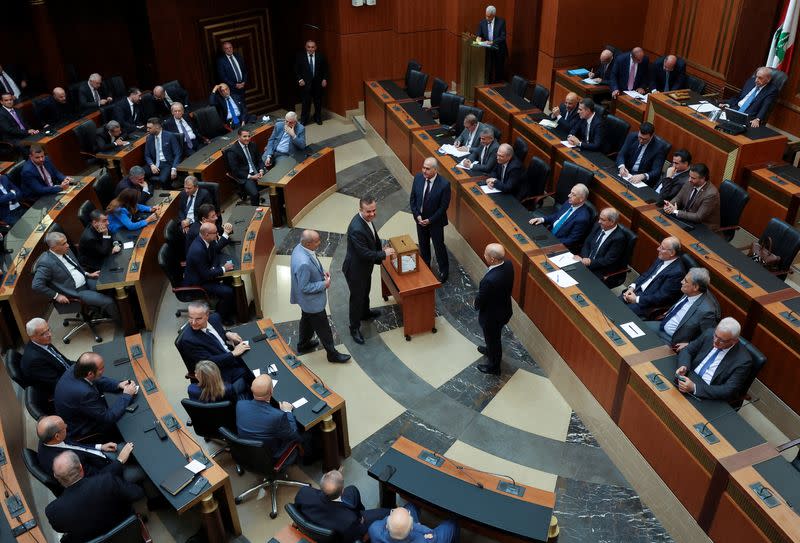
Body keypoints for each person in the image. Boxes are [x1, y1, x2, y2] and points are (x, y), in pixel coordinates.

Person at [45, 451, 144, 543]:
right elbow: (137, 494)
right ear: (81, 468)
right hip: (126, 531)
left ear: (56, 477)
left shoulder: (53, 511)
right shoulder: (107, 481)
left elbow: (60, 528)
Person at [290, 230, 351, 363]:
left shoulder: (299, 248)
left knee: (306, 320)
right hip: (312, 303)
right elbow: (304, 287)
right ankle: (332, 354)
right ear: (307, 243)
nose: (320, 243)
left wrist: (321, 272)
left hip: (306, 303)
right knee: (324, 329)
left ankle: (303, 345)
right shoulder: (303, 263)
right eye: (317, 241)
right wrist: (324, 284)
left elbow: (313, 262)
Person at [342, 196, 396, 344]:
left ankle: (365, 313)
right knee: (356, 299)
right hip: (355, 270)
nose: (372, 214)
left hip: (364, 268)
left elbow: (373, 238)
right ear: (360, 210)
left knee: (365, 292)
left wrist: (379, 249)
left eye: (374, 210)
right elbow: (363, 253)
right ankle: (354, 328)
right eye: (368, 212)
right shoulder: (356, 228)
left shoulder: (366, 221)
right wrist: (383, 254)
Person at [32, 231, 119, 321]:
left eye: (66, 242)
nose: (68, 245)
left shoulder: (66, 250)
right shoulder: (46, 263)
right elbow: (36, 285)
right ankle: (125, 325)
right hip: (76, 291)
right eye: (64, 244)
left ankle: (105, 311)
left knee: (111, 285)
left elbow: (75, 267)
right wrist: (56, 295)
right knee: (109, 302)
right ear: (54, 247)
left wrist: (87, 274)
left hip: (86, 280)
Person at [53, 352, 137, 441]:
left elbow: (97, 379)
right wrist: (127, 395)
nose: (104, 370)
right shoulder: (85, 393)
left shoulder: (77, 368)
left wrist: (118, 384)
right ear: (90, 373)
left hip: (81, 410)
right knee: (130, 420)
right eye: (101, 368)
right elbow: (107, 417)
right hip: (83, 427)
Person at [36, 416, 142, 483]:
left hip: (99, 456)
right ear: (57, 436)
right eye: (64, 427)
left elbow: (77, 446)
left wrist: (100, 446)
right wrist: (120, 460)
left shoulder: (47, 437)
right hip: (109, 475)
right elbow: (98, 478)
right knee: (143, 470)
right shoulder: (66, 464)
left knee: (132, 445)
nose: (66, 426)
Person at [295, 470, 390, 542]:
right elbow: (357, 537)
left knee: (352, 490)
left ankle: (359, 512)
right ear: (342, 491)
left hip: (319, 522)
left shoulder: (304, 492)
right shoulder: (349, 520)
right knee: (387, 512)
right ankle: (361, 514)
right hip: (346, 532)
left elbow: (297, 510)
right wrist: (360, 522)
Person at [675, 318, 754, 402]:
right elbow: (687, 350)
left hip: (708, 394)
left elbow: (728, 390)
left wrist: (694, 388)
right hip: (689, 377)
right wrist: (684, 366)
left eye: (722, 340)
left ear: (734, 341)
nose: (716, 341)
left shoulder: (743, 360)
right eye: (716, 335)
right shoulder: (709, 333)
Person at [177, 301, 253, 384]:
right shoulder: (188, 340)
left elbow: (218, 332)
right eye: (190, 318)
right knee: (253, 372)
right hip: (220, 370)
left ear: (207, 316)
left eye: (198, 319)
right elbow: (209, 362)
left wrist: (227, 333)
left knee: (256, 353)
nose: (193, 322)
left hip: (230, 354)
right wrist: (233, 353)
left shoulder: (215, 318)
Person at [236, 374, 307, 460]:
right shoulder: (278, 416)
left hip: (247, 449)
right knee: (305, 435)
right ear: (271, 391)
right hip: (270, 455)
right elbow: (293, 434)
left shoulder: (240, 404)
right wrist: (287, 411)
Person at [646, 267, 720, 349]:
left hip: (673, 341)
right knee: (634, 328)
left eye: (685, 281)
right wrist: (670, 312)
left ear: (695, 287)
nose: (681, 282)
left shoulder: (707, 311)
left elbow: (709, 337)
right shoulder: (690, 291)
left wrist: (689, 344)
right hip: (661, 325)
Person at [620, 236, 684, 318]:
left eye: (662, 248)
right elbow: (646, 274)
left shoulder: (677, 273)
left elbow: (661, 297)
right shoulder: (661, 258)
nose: (658, 249)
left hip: (646, 304)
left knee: (620, 314)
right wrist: (631, 288)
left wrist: (637, 299)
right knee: (613, 304)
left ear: (672, 253)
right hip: (636, 291)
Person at [185, 223, 236, 322]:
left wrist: (214, 267)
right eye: (215, 233)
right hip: (199, 283)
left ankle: (231, 307)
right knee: (228, 291)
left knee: (231, 279)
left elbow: (215, 253)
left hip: (206, 273)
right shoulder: (198, 250)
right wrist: (223, 269)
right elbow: (206, 275)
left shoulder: (207, 240)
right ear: (207, 234)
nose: (217, 234)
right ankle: (221, 317)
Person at [475, 243, 513, 375]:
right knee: (493, 338)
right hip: (504, 310)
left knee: (493, 340)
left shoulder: (489, 280)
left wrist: (475, 305)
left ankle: (494, 367)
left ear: (492, 259)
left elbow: (481, 299)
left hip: (492, 317)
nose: (483, 254)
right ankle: (490, 350)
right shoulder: (508, 265)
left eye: (486, 253)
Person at [410, 158, 450, 282]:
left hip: (435, 222)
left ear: (435, 170)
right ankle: (426, 266)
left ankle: (444, 270)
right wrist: (417, 215)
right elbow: (413, 200)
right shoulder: (418, 178)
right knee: (423, 244)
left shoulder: (444, 184)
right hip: (420, 220)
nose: (424, 171)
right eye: (423, 167)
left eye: (427, 168)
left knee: (439, 246)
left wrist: (430, 220)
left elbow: (443, 207)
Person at [529, 184, 592, 251]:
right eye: (570, 192)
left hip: (557, 243)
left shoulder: (582, 218)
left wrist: (551, 243)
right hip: (549, 233)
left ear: (581, 199)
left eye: (573, 194)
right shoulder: (569, 202)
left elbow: (571, 240)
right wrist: (542, 219)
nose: (569, 195)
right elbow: (557, 216)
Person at [21, 318, 75, 396]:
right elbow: (58, 384)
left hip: (66, 373)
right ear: (32, 337)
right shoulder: (35, 360)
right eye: (43, 334)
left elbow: (64, 361)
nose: (49, 335)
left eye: (48, 330)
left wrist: (81, 366)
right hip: (61, 388)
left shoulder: (43, 342)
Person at [573, 207, 627, 284]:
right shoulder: (598, 226)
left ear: (612, 222)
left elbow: (608, 260)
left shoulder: (619, 238)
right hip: (585, 260)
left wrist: (589, 262)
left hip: (600, 269)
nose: (599, 221)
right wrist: (584, 259)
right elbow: (587, 243)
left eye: (603, 220)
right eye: (599, 218)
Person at [662, 163, 720, 230]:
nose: (689, 179)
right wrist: (669, 206)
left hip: (703, 227)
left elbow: (698, 217)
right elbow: (678, 198)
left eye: (693, 178)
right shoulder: (689, 182)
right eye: (689, 176)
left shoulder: (711, 194)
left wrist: (675, 211)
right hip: (687, 219)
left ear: (703, 179)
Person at [369, 502, 459, 543]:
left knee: (410, 505)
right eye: (409, 515)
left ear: (387, 526)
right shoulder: (422, 540)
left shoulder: (374, 529)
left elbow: (385, 521)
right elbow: (432, 535)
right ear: (412, 527)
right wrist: (418, 526)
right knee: (452, 524)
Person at [225, 127, 264, 206]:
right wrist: (251, 177)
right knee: (255, 194)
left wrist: (261, 170)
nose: (247, 139)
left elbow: (259, 160)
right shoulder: (232, 150)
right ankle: (254, 212)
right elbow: (235, 170)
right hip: (245, 176)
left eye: (249, 136)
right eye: (245, 136)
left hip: (256, 171)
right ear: (239, 137)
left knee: (275, 182)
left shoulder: (253, 145)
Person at [295, 40, 329, 125]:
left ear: (315, 48)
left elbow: (325, 69)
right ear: (306, 47)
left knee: (318, 102)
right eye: (309, 47)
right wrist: (300, 79)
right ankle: (304, 119)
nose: (310, 49)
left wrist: (324, 79)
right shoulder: (300, 56)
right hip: (305, 84)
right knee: (306, 102)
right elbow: (296, 70)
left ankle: (317, 117)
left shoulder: (320, 56)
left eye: (312, 47)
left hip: (317, 84)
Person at [144, 117, 182, 187]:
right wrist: (151, 165)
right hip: (154, 163)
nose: (147, 130)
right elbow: (147, 155)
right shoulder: (149, 138)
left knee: (163, 180)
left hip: (167, 164)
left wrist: (174, 168)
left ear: (157, 127)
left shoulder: (170, 136)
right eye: (147, 128)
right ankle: (149, 191)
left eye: (150, 128)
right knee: (140, 174)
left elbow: (178, 153)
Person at [476, 5, 507, 83]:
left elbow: (503, 37)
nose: (487, 18)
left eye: (489, 16)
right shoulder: (482, 23)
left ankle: (497, 87)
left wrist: (492, 42)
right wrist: (478, 39)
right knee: (488, 70)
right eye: (486, 16)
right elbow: (479, 35)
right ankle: (488, 85)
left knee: (498, 71)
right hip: (487, 50)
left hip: (498, 49)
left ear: (493, 15)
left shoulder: (501, 22)